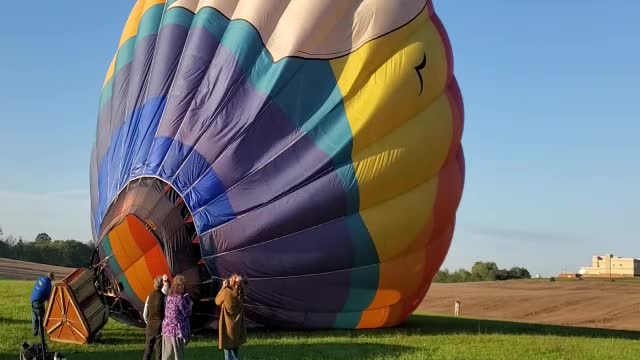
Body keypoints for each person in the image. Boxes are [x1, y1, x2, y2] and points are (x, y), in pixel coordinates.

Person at [215, 274, 247, 360]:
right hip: (236, 328)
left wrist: (223, 287)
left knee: (228, 354)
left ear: (231, 282)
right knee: (235, 353)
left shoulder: (226, 292)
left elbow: (217, 301)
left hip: (227, 328)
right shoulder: (241, 294)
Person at [161, 275, 190, 360]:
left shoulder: (169, 296)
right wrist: (190, 305)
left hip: (166, 329)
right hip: (176, 330)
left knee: (167, 354)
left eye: (183, 285)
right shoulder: (179, 298)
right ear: (177, 286)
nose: (183, 287)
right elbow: (185, 312)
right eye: (181, 285)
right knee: (177, 354)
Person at [143, 276, 166, 360]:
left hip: (150, 325)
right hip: (160, 326)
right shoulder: (164, 297)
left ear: (154, 284)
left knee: (148, 349)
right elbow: (166, 312)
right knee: (159, 349)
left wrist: (148, 321)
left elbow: (145, 314)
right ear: (162, 285)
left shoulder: (149, 296)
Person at [30, 272, 54, 337]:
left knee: (34, 317)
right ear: (51, 277)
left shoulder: (40, 279)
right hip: (38, 302)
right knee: (41, 317)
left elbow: (36, 287)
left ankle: (35, 332)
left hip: (32, 300)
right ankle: (41, 333)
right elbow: (48, 296)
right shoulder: (48, 283)